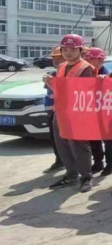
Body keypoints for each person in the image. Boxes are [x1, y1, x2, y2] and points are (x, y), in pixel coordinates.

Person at [46, 34, 95, 193]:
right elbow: (60, 90)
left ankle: (86, 176)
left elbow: (85, 92)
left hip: (77, 112)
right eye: (65, 49)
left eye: (73, 49)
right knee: (62, 144)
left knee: (79, 145)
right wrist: (50, 83)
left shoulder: (85, 68)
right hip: (60, 110)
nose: (68, 53)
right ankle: (71, 174)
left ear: (80, 50)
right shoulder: (61, 66)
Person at [85, 47, 112, 177]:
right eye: (87, 59)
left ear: (100, 60)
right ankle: (98, 162)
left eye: (91, 59)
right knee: (93, 138)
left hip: (107, 112)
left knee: (108, 139)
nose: (88, 62)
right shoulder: (86, 74)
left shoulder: (110, 73)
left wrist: (106, 80)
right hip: (91, 111)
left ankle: (110, 164)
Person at [42, 46, 65, 174]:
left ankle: (70, 166)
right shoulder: (51, 74)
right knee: (55, 140)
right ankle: (59, 161)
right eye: (54, 58)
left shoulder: (67, 74)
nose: (55, 61)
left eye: (58, 58)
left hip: (62, 113)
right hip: (51, 112)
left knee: (65, 141)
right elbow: (49, 94)